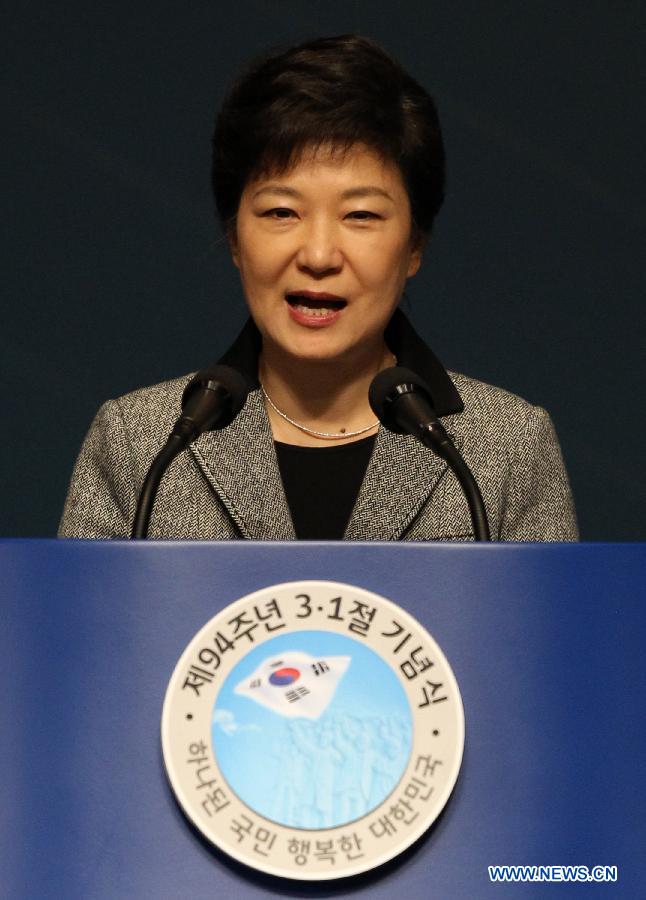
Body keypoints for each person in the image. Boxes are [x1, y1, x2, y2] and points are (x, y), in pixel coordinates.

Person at [59, 34, 578, 542]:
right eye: (282, 212)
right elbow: (75, 627)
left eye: (361, 215)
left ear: (414, 245)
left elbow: (559, 630)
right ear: (235, 237)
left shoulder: (508, 448)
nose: (319, 256)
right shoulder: (139, 444)